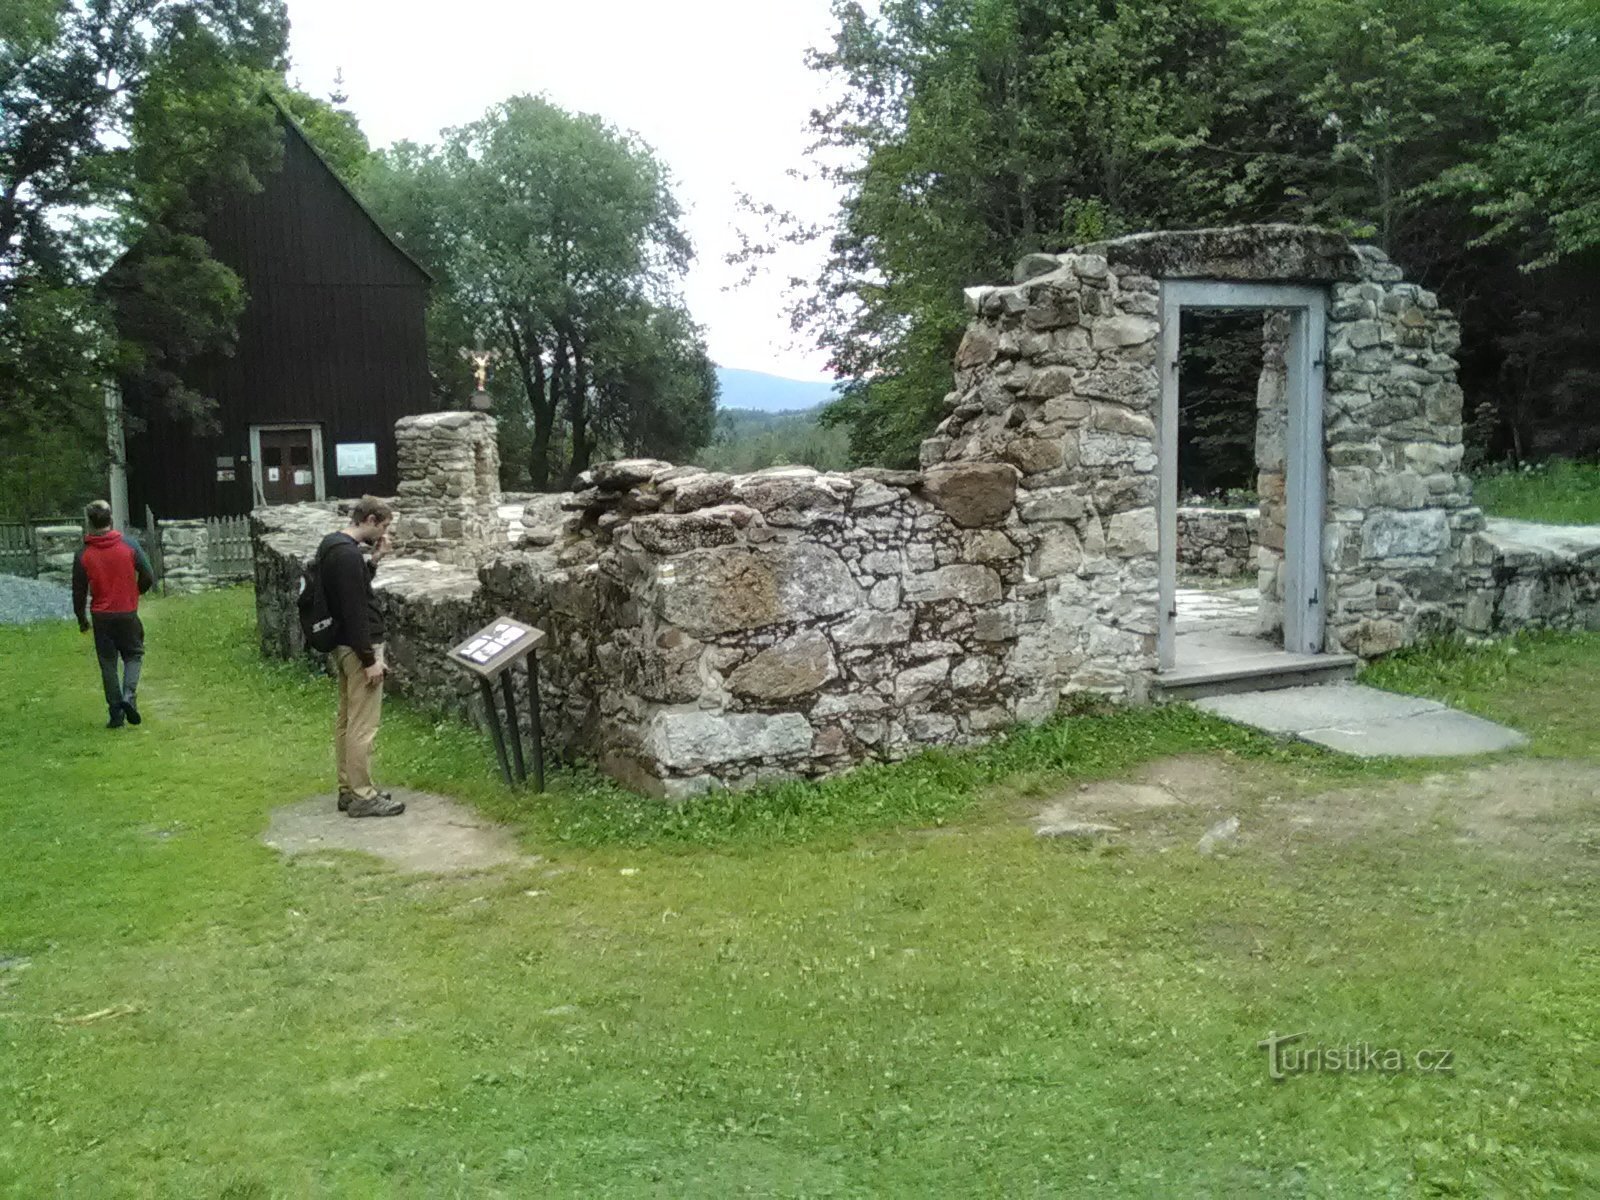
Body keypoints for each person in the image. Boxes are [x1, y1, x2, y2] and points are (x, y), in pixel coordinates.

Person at [317, 496, 404, 818]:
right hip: (358, 648)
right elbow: (355, 611)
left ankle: (347, 788)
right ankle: (363, 795)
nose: (382, 533)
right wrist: (370, 660)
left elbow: (350, 591)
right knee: (363, 725)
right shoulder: (348, 556)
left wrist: (375, 560)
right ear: (369, 519)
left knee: (347, 720)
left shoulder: (331, 546)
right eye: (382, 526)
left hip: (340, 645)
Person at [72, 500, 156, 729]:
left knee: (108, 663)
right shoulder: (129, 545)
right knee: (134, 655)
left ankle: (116, 713)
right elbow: (148, 574)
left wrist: (81, 619)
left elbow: (78, 592)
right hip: (128, 613)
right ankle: (129, 696)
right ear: (111, 519)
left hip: (102, 617)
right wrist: (136, 592)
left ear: (89, 523)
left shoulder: (83, 554)